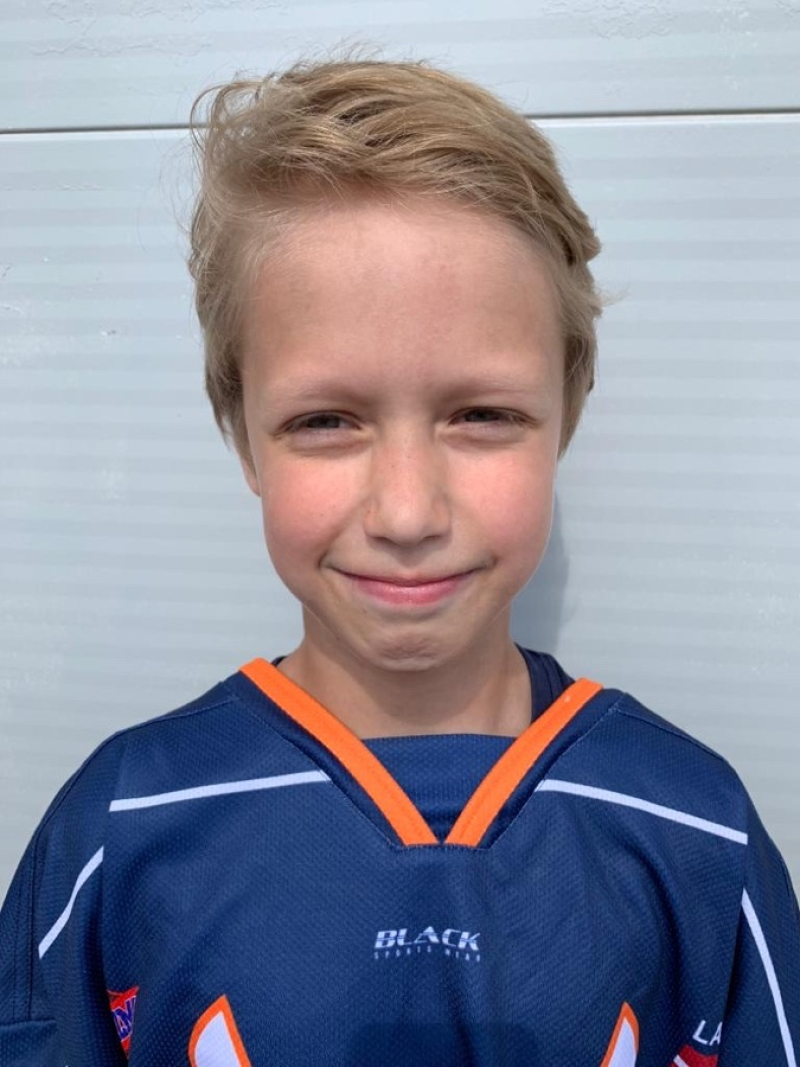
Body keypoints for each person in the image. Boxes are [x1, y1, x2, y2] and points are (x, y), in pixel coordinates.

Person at [0, 55, 798, 1067]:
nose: (408, 511)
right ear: (242, 435)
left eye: (482, 414)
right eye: (325, 420)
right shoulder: (120, 827)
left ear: (566, 413)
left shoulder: (695, 831)